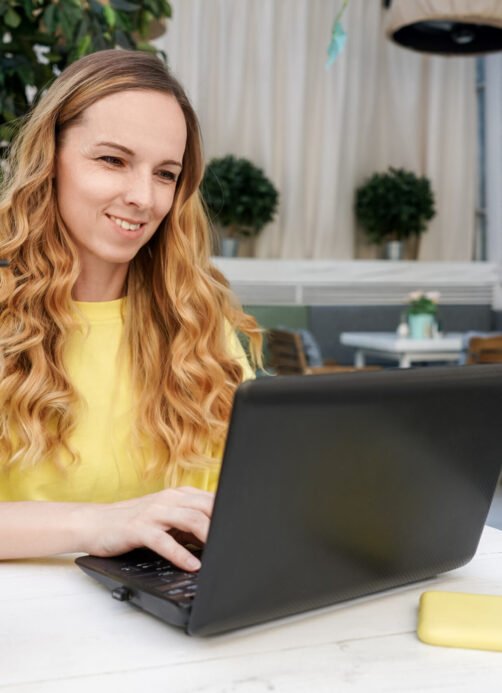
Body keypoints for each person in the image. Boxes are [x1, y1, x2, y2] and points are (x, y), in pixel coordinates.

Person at [0, 49, 262, 570]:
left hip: (164, 619)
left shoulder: (201, 325)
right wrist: (96, 524)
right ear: (49, 161)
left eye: (165, 174)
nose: (143, 197)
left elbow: (247, 499)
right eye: (113, 160)